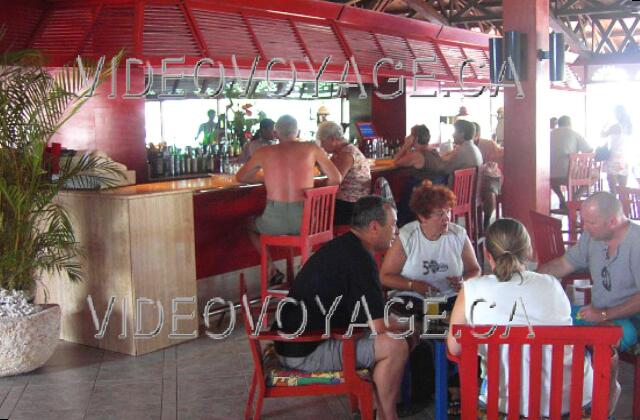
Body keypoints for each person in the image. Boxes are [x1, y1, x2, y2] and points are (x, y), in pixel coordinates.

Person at [275, 196, 408, 420]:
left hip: (293, 343)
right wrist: (408, 324)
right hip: (305, 352)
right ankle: (387, 416)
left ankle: (377, 409)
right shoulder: (361, 260)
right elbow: (379, 325)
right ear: (374, 227)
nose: (396, 230)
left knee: (392, 337)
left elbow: (364, 314)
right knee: (396, 346)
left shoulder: (344, 246)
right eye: (393, 224)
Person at [447, 218, 596, 417]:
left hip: (503, 406)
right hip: (570, 406)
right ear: (529, 252)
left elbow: (455, 348)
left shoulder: (472, 290)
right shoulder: (552, 285)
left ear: (488, 255)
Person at [236, 115, 341, 283]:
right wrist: (314, 196)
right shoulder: (312, 148)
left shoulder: (263, 152)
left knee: (248, 224)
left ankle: (272, 269)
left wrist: (267, 178)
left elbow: (241, 177)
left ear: (276, 133)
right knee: (309, 228)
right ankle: (303, 268)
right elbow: (336, 178)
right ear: (297, 132)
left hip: (273, 223)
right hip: (307, 223)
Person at [538, 191, 640, 352]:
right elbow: (564, 264)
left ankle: (600, 376)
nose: (584, 227)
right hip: (595, 311)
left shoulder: (636, 242)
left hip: (630, 319)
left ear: (612, 221)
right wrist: (530, 278)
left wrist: (604, 314)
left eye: (591, 223)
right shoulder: (592, 237)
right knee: (544, 318)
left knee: (602, 339)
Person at [380, 181, 481, 313]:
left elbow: (475, 270)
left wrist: (463, 281)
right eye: (440, 214)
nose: (447, 218)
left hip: (450, 296)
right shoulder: (408, 236)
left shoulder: (458, 235)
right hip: (414, 297)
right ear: (423, 217)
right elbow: (385, 276)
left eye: (448, 212)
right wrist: (413, 285)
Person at [317, 121, 371, 225]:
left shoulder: (346, 154)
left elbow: (335, 181)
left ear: (332, 139)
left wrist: (314, 185)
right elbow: (329, 173)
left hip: (351, 205)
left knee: (314, 209)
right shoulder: (341, 152)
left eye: (322, 142)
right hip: (351, 202)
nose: (322, 146)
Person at [394, 125, 447, 225]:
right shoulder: (434, 152)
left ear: (416, 138)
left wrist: (406, 146)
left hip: (418, 197)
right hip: (434, 195)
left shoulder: (416, 155)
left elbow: (396, 162)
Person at [550, 115, 592, 210]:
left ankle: (561, 199)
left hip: (549, 172)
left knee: (552, 180)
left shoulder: (550, 134)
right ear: (570, 123)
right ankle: (574, 199)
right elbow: (589, 150)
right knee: (594, 175)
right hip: (569, 172)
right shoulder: (574, 134)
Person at [473, 122, 504, 230]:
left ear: (477, 134)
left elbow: (500, 155)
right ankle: (473, 222)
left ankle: (486, 221)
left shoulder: (489, 144)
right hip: (475, 177)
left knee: (490, 193)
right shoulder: (463, 146)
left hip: (491, 175)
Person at [437, 119, 483, 188]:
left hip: (455, 194)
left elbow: (444, 170)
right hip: (469, 193)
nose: (453, 135)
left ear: (462, 133)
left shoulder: (462, 151)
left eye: (455, 132)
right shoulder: (475, 149)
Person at [601, 105, 632, 195]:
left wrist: (604, 126)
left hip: (614, 157)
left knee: (613, 188)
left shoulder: (615, 126)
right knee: (623, 189)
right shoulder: (629, 127)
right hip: (624, 158)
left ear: (618, 114)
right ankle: (624, 207)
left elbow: (602, 135)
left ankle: (614, 207)